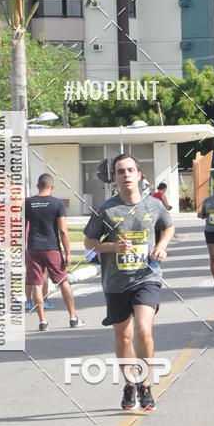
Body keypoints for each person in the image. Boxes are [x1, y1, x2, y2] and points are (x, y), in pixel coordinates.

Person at [84, 153, 174, 412]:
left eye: (130, 170)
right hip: (115, 281)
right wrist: (112, 246)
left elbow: (168, 226)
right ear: (115, 178)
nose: (126, 175)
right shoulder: (106, 210)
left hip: (147, 277)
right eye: (120, 171)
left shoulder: (153, 205)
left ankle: (144, 384)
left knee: (144, 330)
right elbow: (89, 242)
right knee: (123, 336)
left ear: (139, 174)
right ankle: (130, 384)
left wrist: (161, 246)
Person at [24, 173, 83, 332]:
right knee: (63, 281)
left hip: (33, 248)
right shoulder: (57, 204)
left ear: (38, 186)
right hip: (52, 248)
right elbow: (63, 231)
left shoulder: (28, 203)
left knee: (37, 283)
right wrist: (68, 253)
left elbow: (23, 227)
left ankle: (43, 322)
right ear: (52, 187)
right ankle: (73, 317)